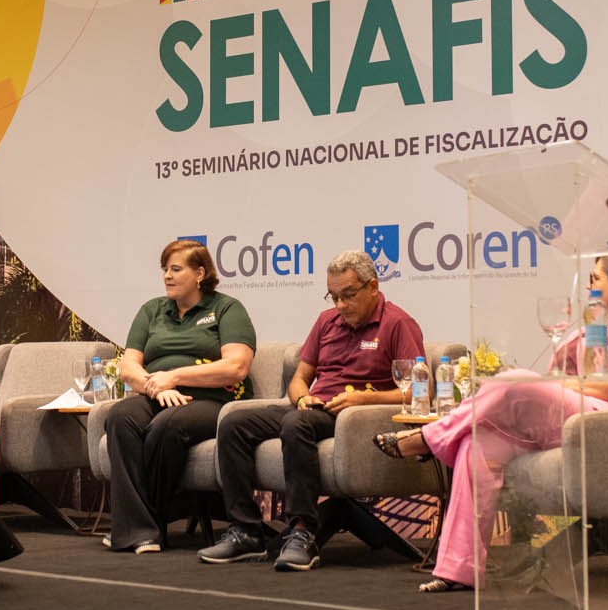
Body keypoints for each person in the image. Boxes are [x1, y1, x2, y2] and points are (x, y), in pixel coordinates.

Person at [375, 252, 608, 593]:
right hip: (569, 417)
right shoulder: (598, 328)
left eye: (596, 279)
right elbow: (565, 376)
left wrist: (562, 382)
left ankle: (429, 438)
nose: (589, 287)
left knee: (514, 380)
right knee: (477, 443)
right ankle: (458, 569)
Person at [199, 250, 424, 572]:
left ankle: (302, 532)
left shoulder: (398, 324)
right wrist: (302, 397)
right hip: (315, 408)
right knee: (235, 423)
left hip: (357, 417)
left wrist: (362, 400)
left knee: (296, 424)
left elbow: (419, 392)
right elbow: (300, 379)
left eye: (349, 295)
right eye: (334, 296)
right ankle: (246, 530)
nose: (341, 305)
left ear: (373, 286)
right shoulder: (326, 321)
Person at [104, 240, 257, 554]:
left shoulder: (226, 308)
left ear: (200, 273)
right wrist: (155, 386)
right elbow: (128, 366)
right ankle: (141, 532)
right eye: (165, 269)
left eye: (176, 269)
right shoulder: (152, 310)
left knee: (168, 426)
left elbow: (236, 367)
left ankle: (146, 523)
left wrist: (174, 377)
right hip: (158, 393)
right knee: (120, 417)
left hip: (213, 400)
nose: (167, 276)